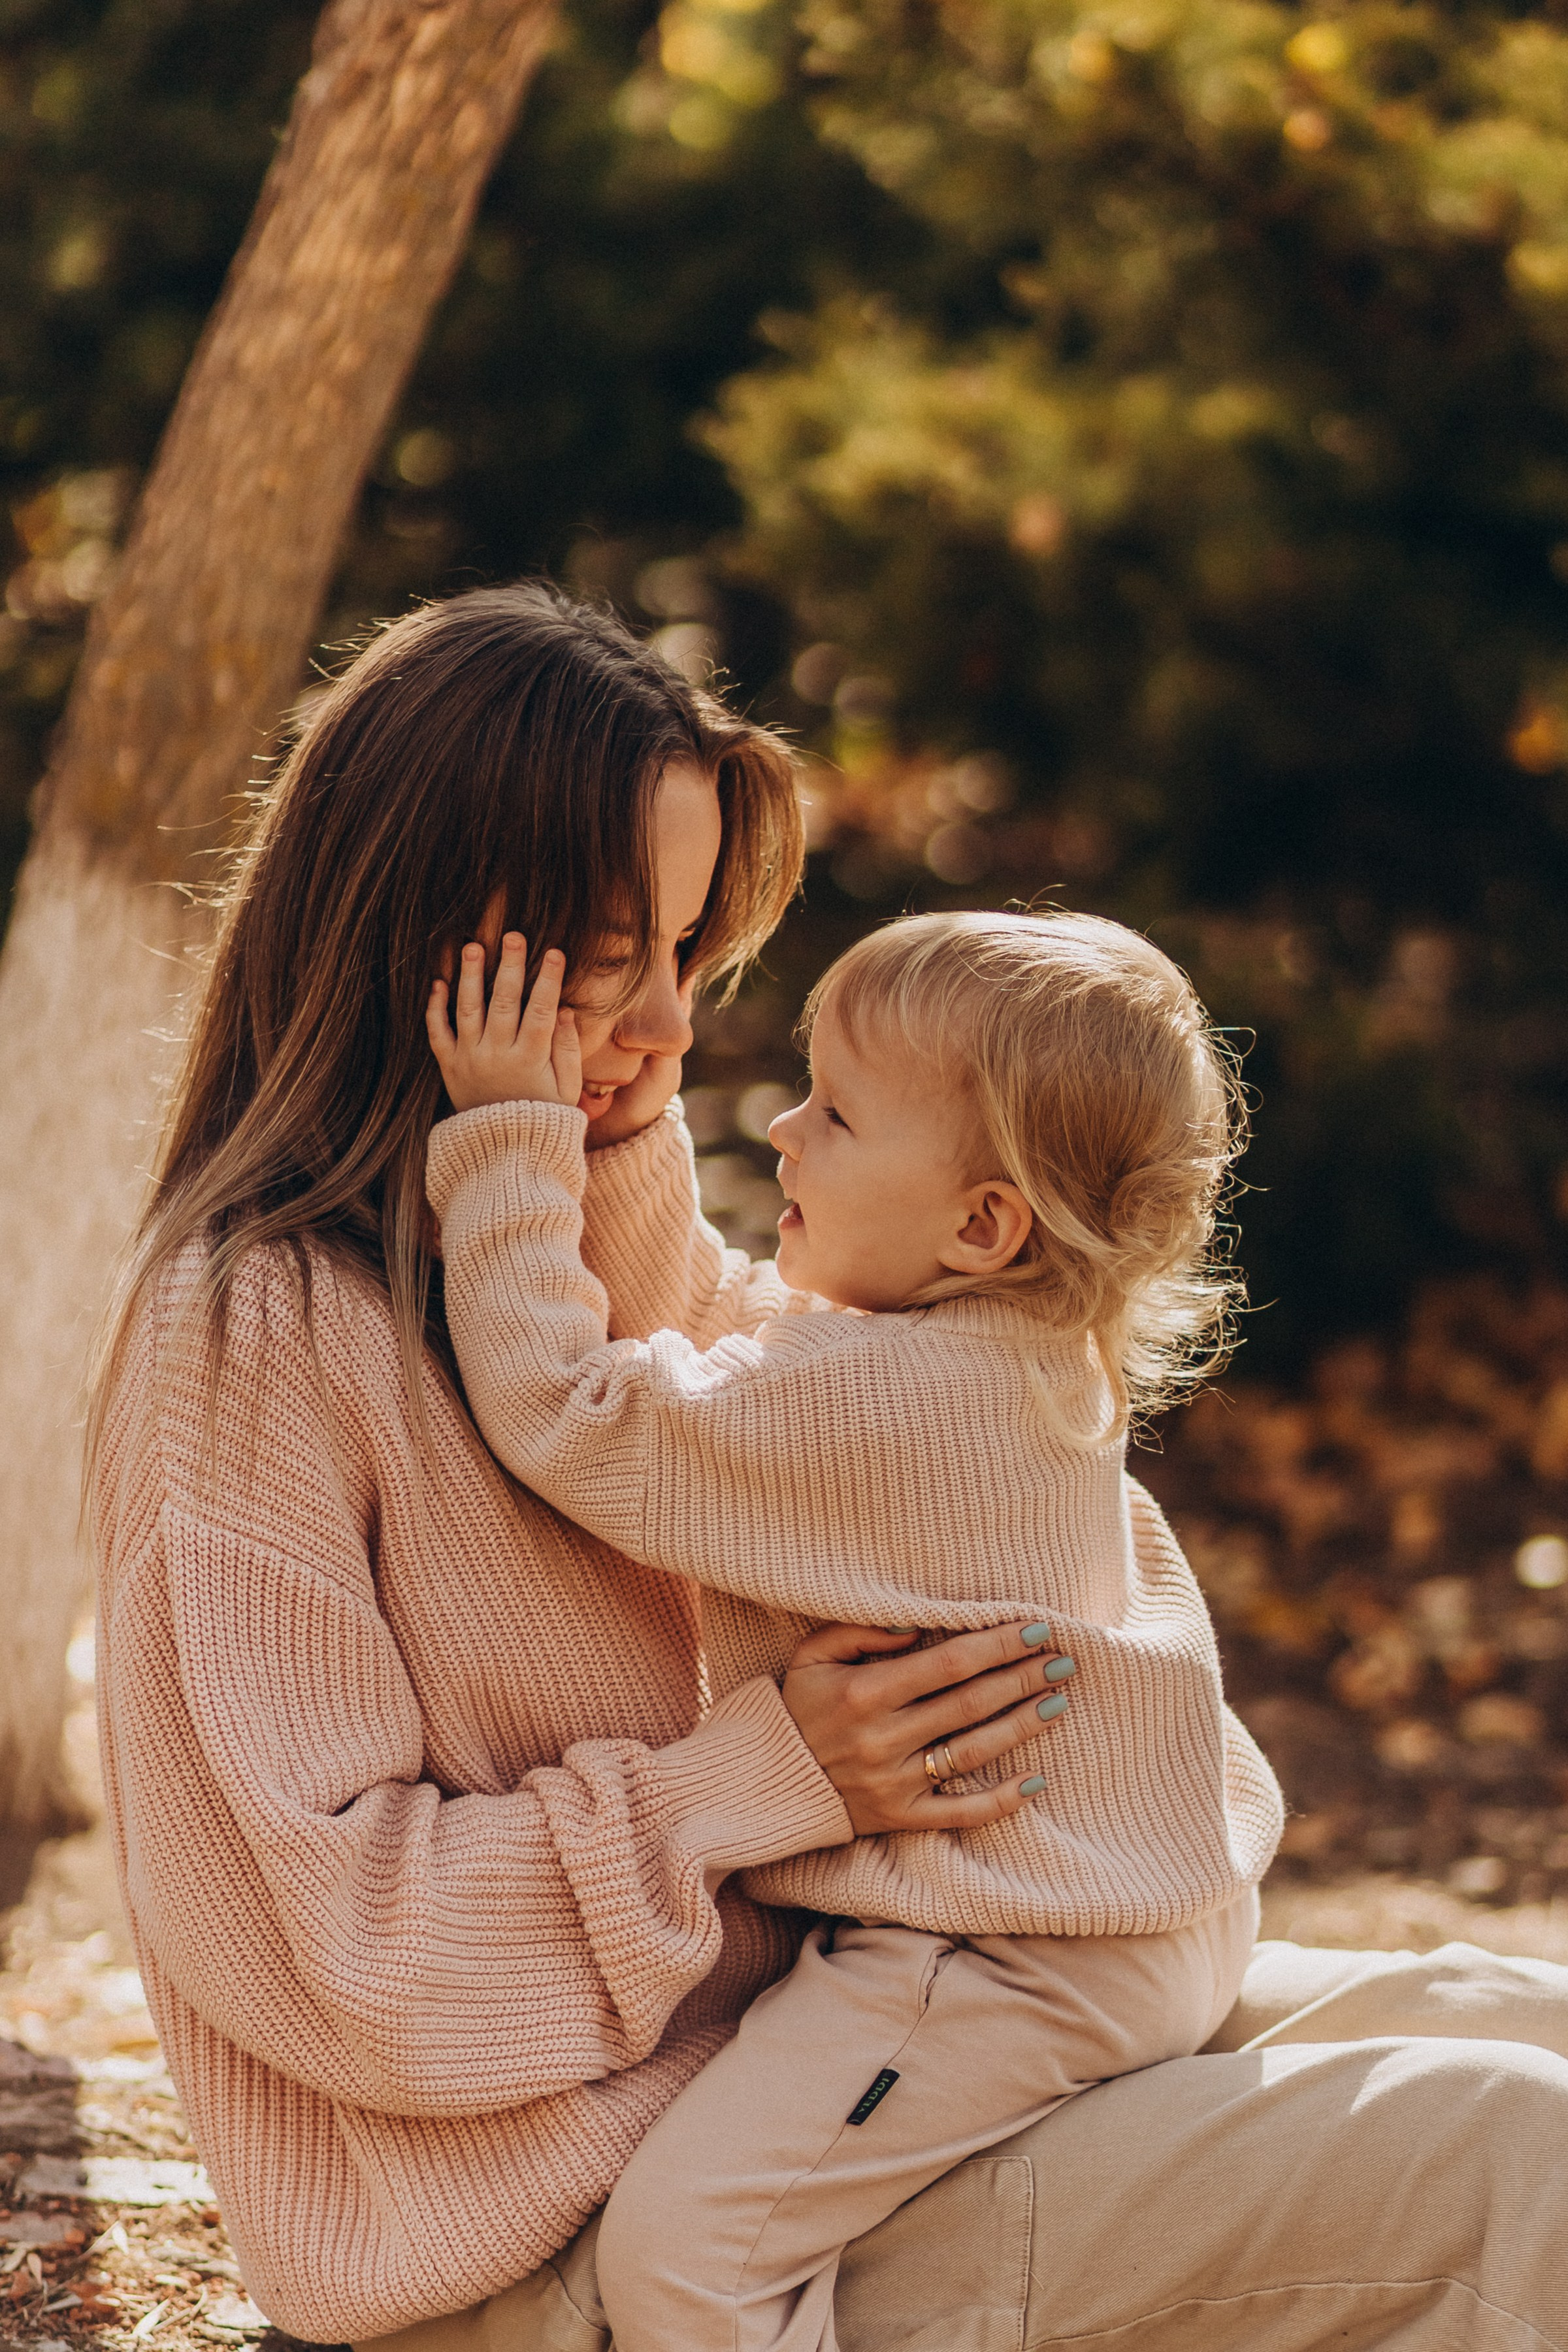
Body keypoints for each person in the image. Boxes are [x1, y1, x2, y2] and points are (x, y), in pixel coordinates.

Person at [86, 581, 1568, 2352]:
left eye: (688, 956)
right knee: (1512, 2152)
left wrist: (587, 1143)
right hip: (601, 2229)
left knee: (1503, 2010)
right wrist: (762, 1781)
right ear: (432, 933)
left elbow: (777, 1406)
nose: (673, 1029)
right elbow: (340, 1953)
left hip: (848, 2040)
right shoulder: (252, 1332)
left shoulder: (557, 1238)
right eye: (611, 957)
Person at [423, 904, 1285, 2352]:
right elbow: (741, 1339)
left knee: (690, 2256)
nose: (781, 1130)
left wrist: (512, 1140)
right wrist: (622, 1139)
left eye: (833, 1113)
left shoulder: (876, 1404)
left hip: (1002, 1955)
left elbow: (572, 1410)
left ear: (981, 1224)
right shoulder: (1015, 1357)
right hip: (1158, 1915)